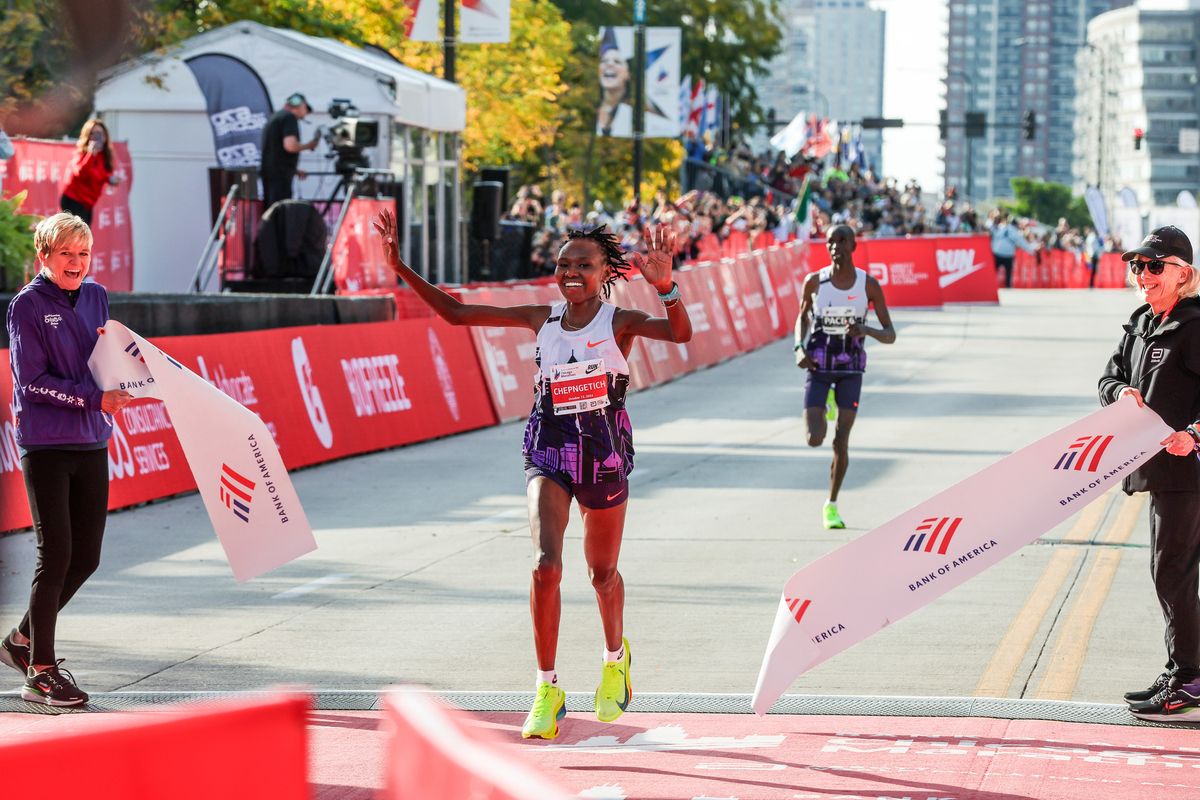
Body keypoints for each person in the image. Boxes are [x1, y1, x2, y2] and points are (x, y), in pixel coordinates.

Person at [372, 208, 691, 740]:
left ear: (604, 271)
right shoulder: (539, 317)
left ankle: (615, 659)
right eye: (564, 264)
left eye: (583, 265)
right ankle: (547, 686)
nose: (570, 273)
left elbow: (678, 334)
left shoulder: (618, 321)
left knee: (601, 574)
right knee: (546, 565)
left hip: (603, 451)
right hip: (548, 446)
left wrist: (667, 288)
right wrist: (400, 266)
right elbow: (457, 313)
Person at [1, 213, 132, 706]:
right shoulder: (27, 305)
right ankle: (40, 671)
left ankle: (20, 641)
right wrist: (92, 399)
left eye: (82, 253)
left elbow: (105, 357)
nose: (75, 262)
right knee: (54, 554)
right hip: (47, 442)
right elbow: (29, 381)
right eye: (65, 254)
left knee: (87, 556)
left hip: (92, 440)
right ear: (45, 256)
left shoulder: (97, 295)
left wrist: (132, 376)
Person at [1098, 225, 1200, 722]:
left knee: (1171, 569)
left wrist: (1195, 434)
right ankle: (1185, 672)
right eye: (1138, 265)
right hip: (1159, 471)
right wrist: (1120, 394)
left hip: (1190, 469)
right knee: (1171, 571)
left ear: (1184, 275)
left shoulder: (1196, 324)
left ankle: (1190, 679)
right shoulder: (1141, 322)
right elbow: (1108, 377)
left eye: (1154, 266)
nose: (1143, 275)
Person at [794, 224, 896, 530]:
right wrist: (799, 348)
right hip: (819, 365)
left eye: (842, 241)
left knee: (841, 440)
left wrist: (864, 329)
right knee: (814, 439)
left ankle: (832, 504)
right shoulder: (814, 282)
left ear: (854, 245)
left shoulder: (868, 285)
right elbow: (802, 317)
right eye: (830, 242)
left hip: (851, 367)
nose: (836, 246)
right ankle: (825, 402)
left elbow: (890, 334)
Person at [260, 92, 320, 211]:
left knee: (271, 210)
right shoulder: (289, 117)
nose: (305, 114)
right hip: (280, 176)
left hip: (271, 173)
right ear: (300, 105)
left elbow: (276, 152)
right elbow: (290, 146)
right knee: (280, 210)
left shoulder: (276, 117)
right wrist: (310, 145)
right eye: (305, 109)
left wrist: (294, 170)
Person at [60, 118, 122, 226]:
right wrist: (90, 154)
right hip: (74, 200)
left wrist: (110, 179)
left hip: (88, 203)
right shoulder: (82, 153)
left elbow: (101, 174)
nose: (97, 137)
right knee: (76, 238)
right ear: (87, 136)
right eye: (93, 133)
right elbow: (80, 173)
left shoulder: (104, 155)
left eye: (100, 133)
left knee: (84, 238)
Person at [596, 28, 632, 136]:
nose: (609, 64)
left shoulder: (634, 113)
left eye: (617, 61)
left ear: (627, 74)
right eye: (604, 61)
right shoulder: (586, 108)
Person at [990, 211, 1027, 289]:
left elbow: (993, 239)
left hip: (999, 253)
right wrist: (1031, 251)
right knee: (1007, 273)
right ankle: (1007, 286)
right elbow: (1022, 242)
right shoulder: (1008, 229)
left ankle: (991, 285)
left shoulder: (997, 228)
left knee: (995, 272)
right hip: (1005, 255)